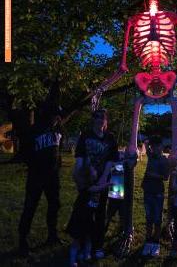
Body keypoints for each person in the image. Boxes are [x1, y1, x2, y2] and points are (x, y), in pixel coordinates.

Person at [66, 108, 119, 263]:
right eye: (97, 117)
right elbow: (80, 158)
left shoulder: (110, 138)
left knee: (100, 214)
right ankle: (83, 245)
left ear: (106, 121)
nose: (100, 120)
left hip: (102, 181)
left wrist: (103, 179)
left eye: (102, 117)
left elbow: (111, 160)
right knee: (85, 214)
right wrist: (80, 177)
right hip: (87, 180)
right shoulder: (85, 136)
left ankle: (98, 246)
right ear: (93, 120)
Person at [18, 106, 63, 256]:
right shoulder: (35, 130)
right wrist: (35, 166)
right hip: (36, 176)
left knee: (54, 205)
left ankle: (52, 235)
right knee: (30, 207)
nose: (58, 119)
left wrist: (58, 166)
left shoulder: (58, 130)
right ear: (49, 115)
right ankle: (22, 240)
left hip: (53, 176)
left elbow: (58, 151)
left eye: (58, 116)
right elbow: (25, 152)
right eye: (56, 116)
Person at [141, 136, 169, 257]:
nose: (155, 149)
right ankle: (148, 239)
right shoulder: (151, 156)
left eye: (158, 146)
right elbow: (146, 148)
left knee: (157, 217)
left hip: (158, 192)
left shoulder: (164, 160)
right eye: (153, 147)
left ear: (161, 147)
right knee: (148, 217)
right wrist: (146, 142)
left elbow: (166, 177)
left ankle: (156, 240)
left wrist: (153, 175)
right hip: (147, 191)